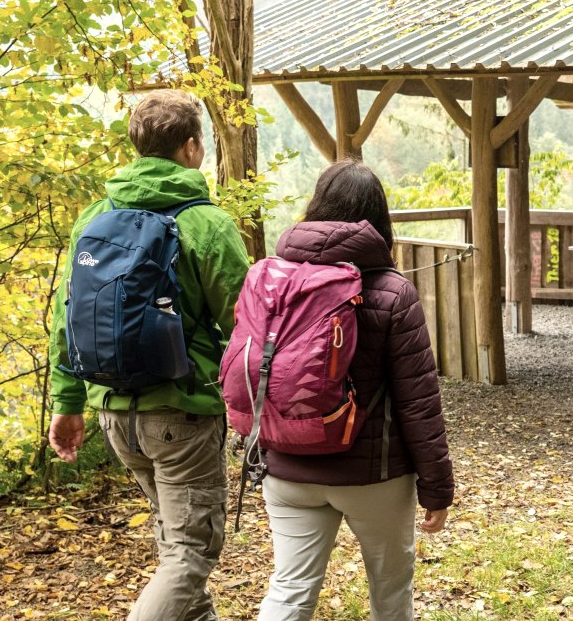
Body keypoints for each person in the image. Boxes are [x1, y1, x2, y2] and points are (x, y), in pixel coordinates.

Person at [46, 89, 250, 621]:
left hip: (114, 410)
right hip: (181, 411)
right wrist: (259, 400)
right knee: (190, 553)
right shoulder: (206, 222)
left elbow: (66, 315)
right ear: (190, 147)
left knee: (175, 545)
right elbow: (244, 322)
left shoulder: (96, 214)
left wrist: (67, 403)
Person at [257, 160, 454, 621]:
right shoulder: (391, 291)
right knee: (390, 592)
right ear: (379, 219)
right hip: (374, 474)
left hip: (287, 466)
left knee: (289, 590)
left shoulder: (275, 278)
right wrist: (437, 489)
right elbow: (418, 402)